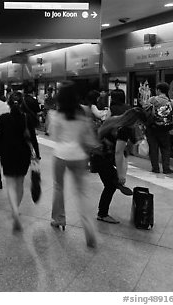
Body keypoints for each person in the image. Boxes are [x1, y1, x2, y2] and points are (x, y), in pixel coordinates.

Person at [48, 81, 97, 248]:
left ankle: (59, 219)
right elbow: (90, 137)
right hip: (79, 155)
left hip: (61, 154)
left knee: (58, 187)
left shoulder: (55, 115)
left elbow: (53, 136)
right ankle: (89, 228)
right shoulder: (84, 112)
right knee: (82, 192)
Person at [92, 108, 145, 224]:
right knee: (110, 185)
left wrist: (122, 172)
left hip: (98, 155)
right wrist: (121, 175)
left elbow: (121, 154)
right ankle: (102, 214)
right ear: (135, 121)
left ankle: (102, 213)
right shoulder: (124, 129)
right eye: (139, 123)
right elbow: (119, 153)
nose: (139, 126)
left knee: (110, 184)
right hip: (103, 158)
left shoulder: (114, 120)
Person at [0, 91, 32, 231]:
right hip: (24, 153)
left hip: (7, 153)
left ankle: (15, 212)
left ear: (9, 104)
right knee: (20, 183)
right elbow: (32, 138)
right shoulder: (26, 118)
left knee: (10, 184)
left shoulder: (3, 118)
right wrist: (37, 154)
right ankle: (16, 208)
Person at [143, 82, 173, 174]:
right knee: (165, 148)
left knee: (153, 148)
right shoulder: (170, 101)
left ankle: (155, 168)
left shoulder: (153, 99)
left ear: (158, 90)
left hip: (152, 128)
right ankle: (166, 168)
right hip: (165, 128)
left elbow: (144, 109)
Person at [21, 84, 41, 160]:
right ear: (32, 92)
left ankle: (25, 153)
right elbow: (38, 112)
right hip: (32, 122)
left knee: (23, 137)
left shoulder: (22, 100)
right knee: (33, 138)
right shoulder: (34, 100)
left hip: (23, 121)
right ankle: (37, 154)